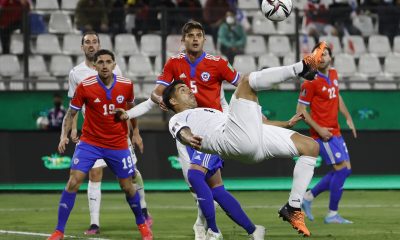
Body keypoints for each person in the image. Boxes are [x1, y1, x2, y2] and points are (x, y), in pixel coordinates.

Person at [118, 41, 328, 237]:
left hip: (251, 139)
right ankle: (301, 67)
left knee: (310, 147)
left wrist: (285, 124)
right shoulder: (179, 118)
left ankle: (293, 207)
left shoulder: (208, 110)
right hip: (236, 142)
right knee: (246, 81)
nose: (190, 92)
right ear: (172, 100)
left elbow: (250, 124)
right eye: (183, 90)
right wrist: (188, 137)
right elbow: (181, 131)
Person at [47, 49, 153, 240]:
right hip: (90, 142)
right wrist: (64, 135)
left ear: (114, 64)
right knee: (73, 181)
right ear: (94, 66)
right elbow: (71, 114)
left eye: (108, 62)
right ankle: (59, 231)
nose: (105, 65)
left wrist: (135, 133)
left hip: (117, 143)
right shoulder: (84, 86)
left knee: (127, 186)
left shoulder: (126, 85)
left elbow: (131, 111)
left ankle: (142, 225)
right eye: (101, 62)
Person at [297, 44, 357, 224]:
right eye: (319, 55)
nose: (322, 57)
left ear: (331, 57)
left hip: (335, 131)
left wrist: (348, 117)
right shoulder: (310, 81)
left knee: (346, 169)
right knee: (341, 170)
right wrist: (319, 129)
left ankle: (308, 197)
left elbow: (337, 96)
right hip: (322, 134)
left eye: (326, 54)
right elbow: (301, 111)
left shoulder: (334, 74)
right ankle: (332, 214)